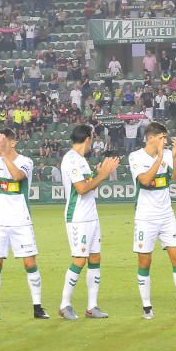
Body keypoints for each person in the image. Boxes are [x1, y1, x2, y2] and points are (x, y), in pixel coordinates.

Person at [128, 122, 176, 319]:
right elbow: (144, 180)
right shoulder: (135, 157)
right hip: (145, 217)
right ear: (151, 138)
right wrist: (160, 158)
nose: (165, 141)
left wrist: (174, 158)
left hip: (167, 215)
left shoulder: (169, 155)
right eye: (162, 138)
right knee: (145, 261)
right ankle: (147, 308)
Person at [0, 128, 48, 320]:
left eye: (2, 141)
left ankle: (37, 306)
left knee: (29, 262)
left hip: (20, 220)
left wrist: (4, 155)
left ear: (13, 142)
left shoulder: (26, 161)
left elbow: (17, 176)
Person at [58, 124, 120, 319]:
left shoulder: (81, 160)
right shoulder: (71, 160)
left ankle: (92, 306)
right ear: (87, 139)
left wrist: (99, 175)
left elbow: (89, 186)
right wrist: (102, 175)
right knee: (79, 259)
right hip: (78, 218)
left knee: (95, 258)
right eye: (92, 139)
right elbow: (82, 189)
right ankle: (64, 304)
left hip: (91, 215)